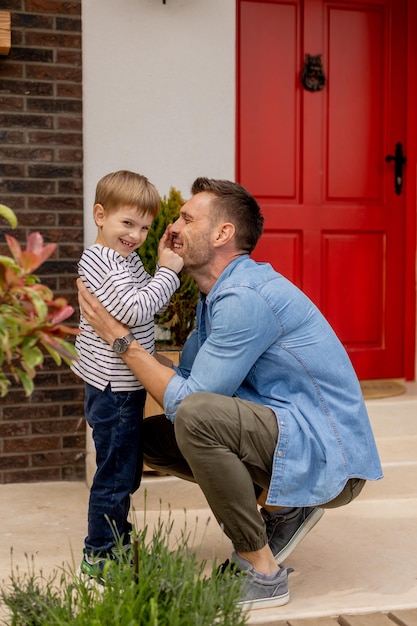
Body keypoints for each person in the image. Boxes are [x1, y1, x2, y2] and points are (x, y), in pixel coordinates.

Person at [77, 177, 383, 609]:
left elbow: (188, 401)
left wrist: (120, 340)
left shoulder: (244, 297)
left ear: (222, 234)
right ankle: (282, 509)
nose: (172, 227)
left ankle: (261, 572)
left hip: (331, 458)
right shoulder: (214, 295)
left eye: (187, 217)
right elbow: (183, 379)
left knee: (197, 415)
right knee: (149, 439)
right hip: (290, 438)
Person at [71, 170, 183, 579]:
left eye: (145, 227)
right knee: (116, 475)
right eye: (127, 223)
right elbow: (136, 310)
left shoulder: (124, 259)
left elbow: (137, 299)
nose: (136, 234)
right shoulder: (103, 262)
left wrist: (155, 268)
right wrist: (169, 271)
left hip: (123, 385)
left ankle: (116, 542)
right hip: (114, 389)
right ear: (100, 215)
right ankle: (100, 554)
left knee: (124, 470)